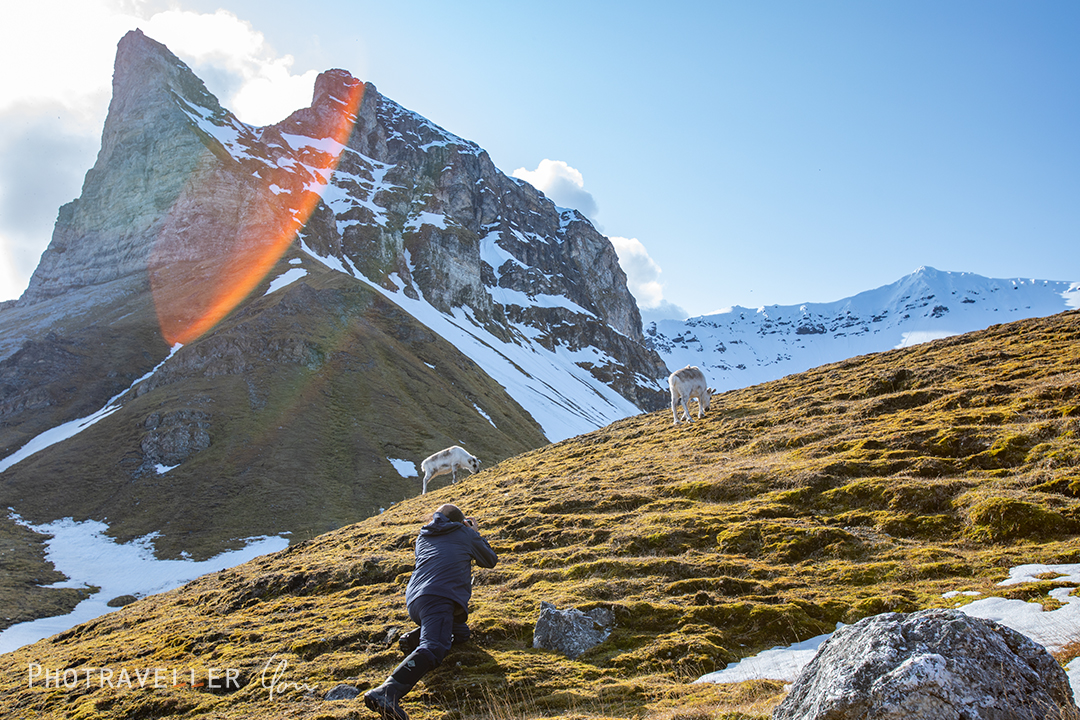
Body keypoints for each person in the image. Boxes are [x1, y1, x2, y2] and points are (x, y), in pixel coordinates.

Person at [364, 503, 498, 720]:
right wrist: (475, 533)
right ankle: (386, 692)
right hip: (439, 598)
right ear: (460, 521)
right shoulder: (465, 533)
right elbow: (490, 560)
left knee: (460, 634)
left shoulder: (423, 535)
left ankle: (413, 641)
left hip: (416, 600)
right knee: (435, 647)